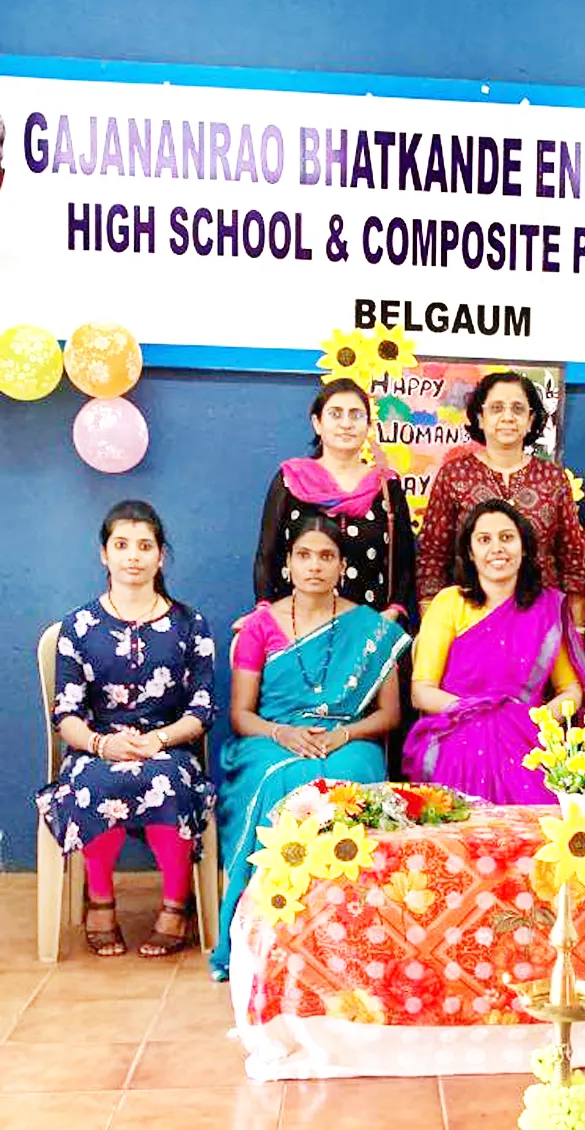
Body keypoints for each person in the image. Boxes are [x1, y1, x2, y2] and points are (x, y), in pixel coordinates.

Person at [213, 513, 409, 979]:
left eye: (326, 556)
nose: (314, 566)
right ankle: (270, 934)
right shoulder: (260, 627)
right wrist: (282, 734)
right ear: (288, 564)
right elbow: (241, 715)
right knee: (284, 781)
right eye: (304, 555)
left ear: (342, 566)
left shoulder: (371, 629)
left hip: (348, 737)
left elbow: (389, 715)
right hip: (271, 738)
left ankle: (351, 932)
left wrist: (343, 734)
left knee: (348, 779)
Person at [35, 500, 216, 957]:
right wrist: (102, 744)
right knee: (97, 782)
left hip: (168, 746)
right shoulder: (79, 626)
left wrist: (158, 739)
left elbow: (202, 708)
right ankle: (100, 900)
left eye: (144, 546)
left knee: (168, 780)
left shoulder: (190, 625)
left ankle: (176, 905)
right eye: (121, 545)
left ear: (161, 555)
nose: (133, 556)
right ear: (104, 554)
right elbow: (66, 714)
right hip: (97, 747)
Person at [404, 500, 585, 804]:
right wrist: (479, 712)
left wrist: (532, 720)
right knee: (474, 746)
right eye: (484, 539)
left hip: (526, 730)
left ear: (524, 547)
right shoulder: (449, 603)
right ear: (469, 552)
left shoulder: (546, 609)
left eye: (507, 537)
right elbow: (421, 692)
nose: (497, 548)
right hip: (456, 728)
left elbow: (571, 691)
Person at [414, 370, 585, 626]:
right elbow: (433, 558)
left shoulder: (553, 478)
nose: (508, 417)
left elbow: (573, 560)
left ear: (530, 420)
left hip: (541, 621)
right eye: (496, 408)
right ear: (480, 418)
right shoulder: (454, 475)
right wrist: (432, 630)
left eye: (518, 409)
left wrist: (577, 631)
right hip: (469, 620)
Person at [253, 377, 416, 619]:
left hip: (368, 627)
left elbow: (404, 562)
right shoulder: (290, 480)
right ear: (317, 423)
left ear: (369, 426)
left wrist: (393, 612)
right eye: (335, 414)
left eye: (356, 415)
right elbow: (267, 555)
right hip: (297, 627)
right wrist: (266, 612)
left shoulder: (386, 487)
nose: (346, 424)